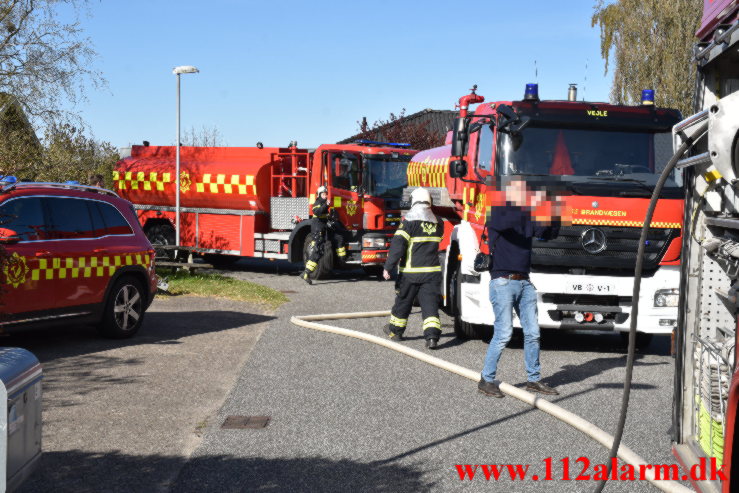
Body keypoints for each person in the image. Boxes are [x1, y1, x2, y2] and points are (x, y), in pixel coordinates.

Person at [478, 175, 564, 398]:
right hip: (502, 281)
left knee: (533, 332)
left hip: (524, 281)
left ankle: (534, 379)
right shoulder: (499, 212)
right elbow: (514, 220)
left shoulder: (524, 214)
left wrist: (554, 211)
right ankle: (486, 379)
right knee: (504, 333)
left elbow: (547, 233)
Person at [382, 187, 443, 349]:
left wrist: (388, 267)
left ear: (414, 200)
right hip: (432, 273)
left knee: (403, 303)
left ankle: (395, 331)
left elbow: (398, 246)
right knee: (430, 305)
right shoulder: (438, 222)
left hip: (410, 273)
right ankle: (432, 337)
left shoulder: (408, 222)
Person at [301, 185, 347, 285]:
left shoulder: (324, 203)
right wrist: (326, 205)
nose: (325, 196)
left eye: (326, 194)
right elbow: (317, 212)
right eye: (323, 194)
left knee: (338, 237)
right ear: (319, 195)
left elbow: (325, 215)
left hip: (324, 228)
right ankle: (306, 273)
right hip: (318, 230)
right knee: (318, 251)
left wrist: (332, 217)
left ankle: (342, 260)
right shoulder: (317, 203)